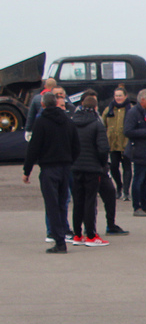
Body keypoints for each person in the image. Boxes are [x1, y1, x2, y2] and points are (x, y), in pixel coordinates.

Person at [23, 90, 79, 253]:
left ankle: (59, 240)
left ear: (42, 104)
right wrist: (70, 160)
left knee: (52, 205)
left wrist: (27, 170)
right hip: (65, 167)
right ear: (56, 103)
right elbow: (76, 145)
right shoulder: (68, 121)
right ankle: (63, 235)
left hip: (49, 168)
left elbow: (33, 148)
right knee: (63, 203)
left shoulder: (41, 122)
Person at [69, 92, 110, 246]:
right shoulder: (97, 124)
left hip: (76, 167)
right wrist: (102, 164)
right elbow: (103, 148)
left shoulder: (73, 122)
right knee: (90, 201)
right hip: (93, 168)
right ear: (95, 107)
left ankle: (77, 234)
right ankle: (91, 235)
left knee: (78, 201)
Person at [124, 89, 146, 216]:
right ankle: (137, 207)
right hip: (138, 151)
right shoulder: (133, 113)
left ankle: (145, 205)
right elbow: (127, 131)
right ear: (142, 100)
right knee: (138, 179)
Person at [103, 86, 133, 200]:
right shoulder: (108, 110)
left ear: (125, 96)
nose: (118, 98)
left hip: (126, 143)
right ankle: (119, 187)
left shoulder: (130, 109)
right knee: (114, 167)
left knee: (127, 168)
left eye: (120, 95)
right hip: (113, 144)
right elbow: (103, 124)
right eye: (116, 96)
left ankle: (126, 191)